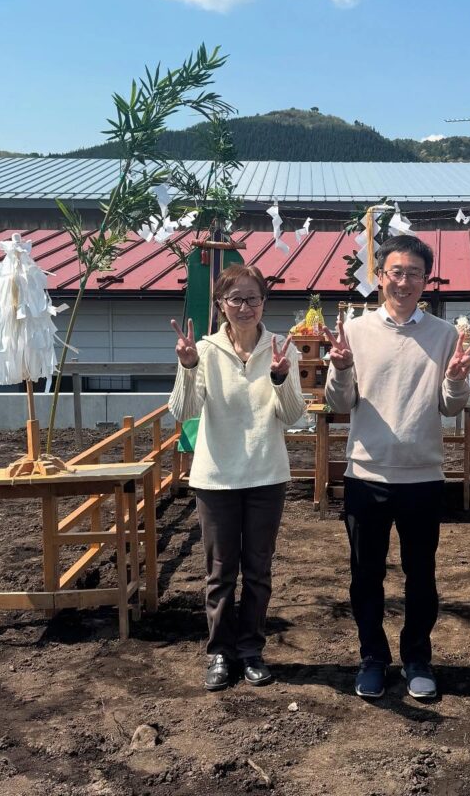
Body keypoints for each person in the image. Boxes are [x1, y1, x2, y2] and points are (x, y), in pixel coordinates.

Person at [323, 234, 470, 700]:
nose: (405, 281)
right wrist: (341, 368)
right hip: (366, 475)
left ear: (425, 280)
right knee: (365, 574)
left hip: (423, 477)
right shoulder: (355, 330)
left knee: (421, 575)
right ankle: (372, 658)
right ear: (381, 277)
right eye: (396, 272)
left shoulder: (444, 334)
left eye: (414, 273)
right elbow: (339, 402)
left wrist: (455, 380)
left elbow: (450, 407)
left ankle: (417, 658)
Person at [169, 263, 306, 692]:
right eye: (235, 299)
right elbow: (184, 412)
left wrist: (281, 377)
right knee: (219, 571)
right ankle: (219, 653)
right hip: (216, 478)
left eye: (253, 298)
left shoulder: (282, 348)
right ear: (221, 305)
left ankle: (251, 650)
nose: (245, 307)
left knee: (259, 570)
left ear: (264, 302)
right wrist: (188, 367)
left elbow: (294, 415)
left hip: (266, 475)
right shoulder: (205, 350)